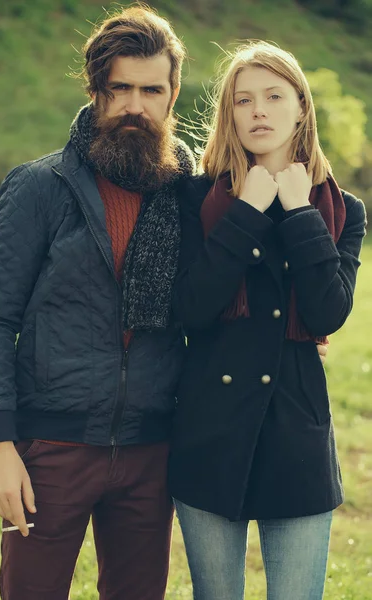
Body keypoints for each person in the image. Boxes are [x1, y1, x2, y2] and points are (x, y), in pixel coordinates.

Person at [0, 7, 196, 600]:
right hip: (51, 449)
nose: (135, 106)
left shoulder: (190, 194)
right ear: (96, 91)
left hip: (151, 450)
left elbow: (223, 298)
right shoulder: (39, 187)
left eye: (151, 90)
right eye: (119, 88)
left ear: (173, 95)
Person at [169, 41, 367, 600]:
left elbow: (330, 310)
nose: (258, 111)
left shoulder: (341, 209)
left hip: (296, 433)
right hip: (209, 431)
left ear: (301, 106)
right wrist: (246, 211)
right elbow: (192, 308)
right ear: (227, 114)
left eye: (274, 96)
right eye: (243, 99)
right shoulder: (196, 197)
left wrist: (300, 211)